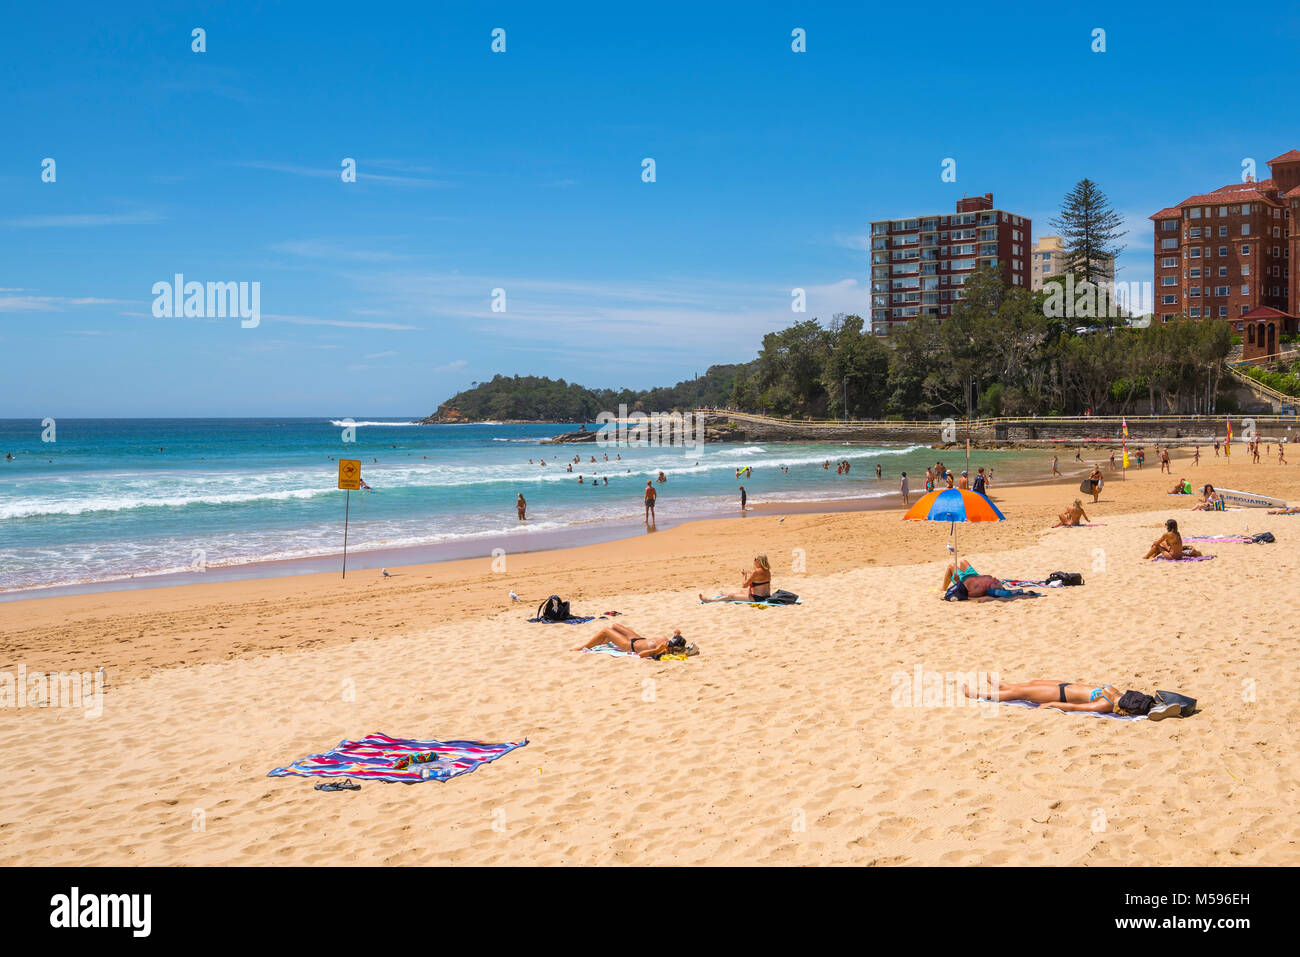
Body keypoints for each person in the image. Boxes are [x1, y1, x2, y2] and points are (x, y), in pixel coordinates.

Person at [961, 678, 1177, 718]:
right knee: (1032, 683)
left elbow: (1074, 708)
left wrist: (1051, 705)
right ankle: (1003, 685)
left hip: (1060, 694)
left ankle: (979, 694)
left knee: (1019, 694)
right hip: (1065, 685)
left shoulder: (1106, 705)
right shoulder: (1115, 694)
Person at [571, 622, 689, 658]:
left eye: (670, 643)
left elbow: (641, 655)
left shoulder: (662, 650)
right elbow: (675, 636)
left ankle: (583, 646)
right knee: (615, 626)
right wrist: (676, 633)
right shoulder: (667, 642)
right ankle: (605, 640)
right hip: (637, 638)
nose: (667, 642)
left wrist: (657, 649)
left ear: (671, 648)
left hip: (628, 645)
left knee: (605, 631)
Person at [699, 554, 772, 603]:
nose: (754, 561)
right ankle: (726, 594)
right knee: (741, 592)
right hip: (766, 596)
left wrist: (744, 575)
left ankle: (710, 600)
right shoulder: (767, 571)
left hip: (757, 598)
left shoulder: (755, 572)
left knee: (732, 596)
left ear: (759, 561)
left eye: (755, 559)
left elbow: (744, 585)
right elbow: (760, 580)